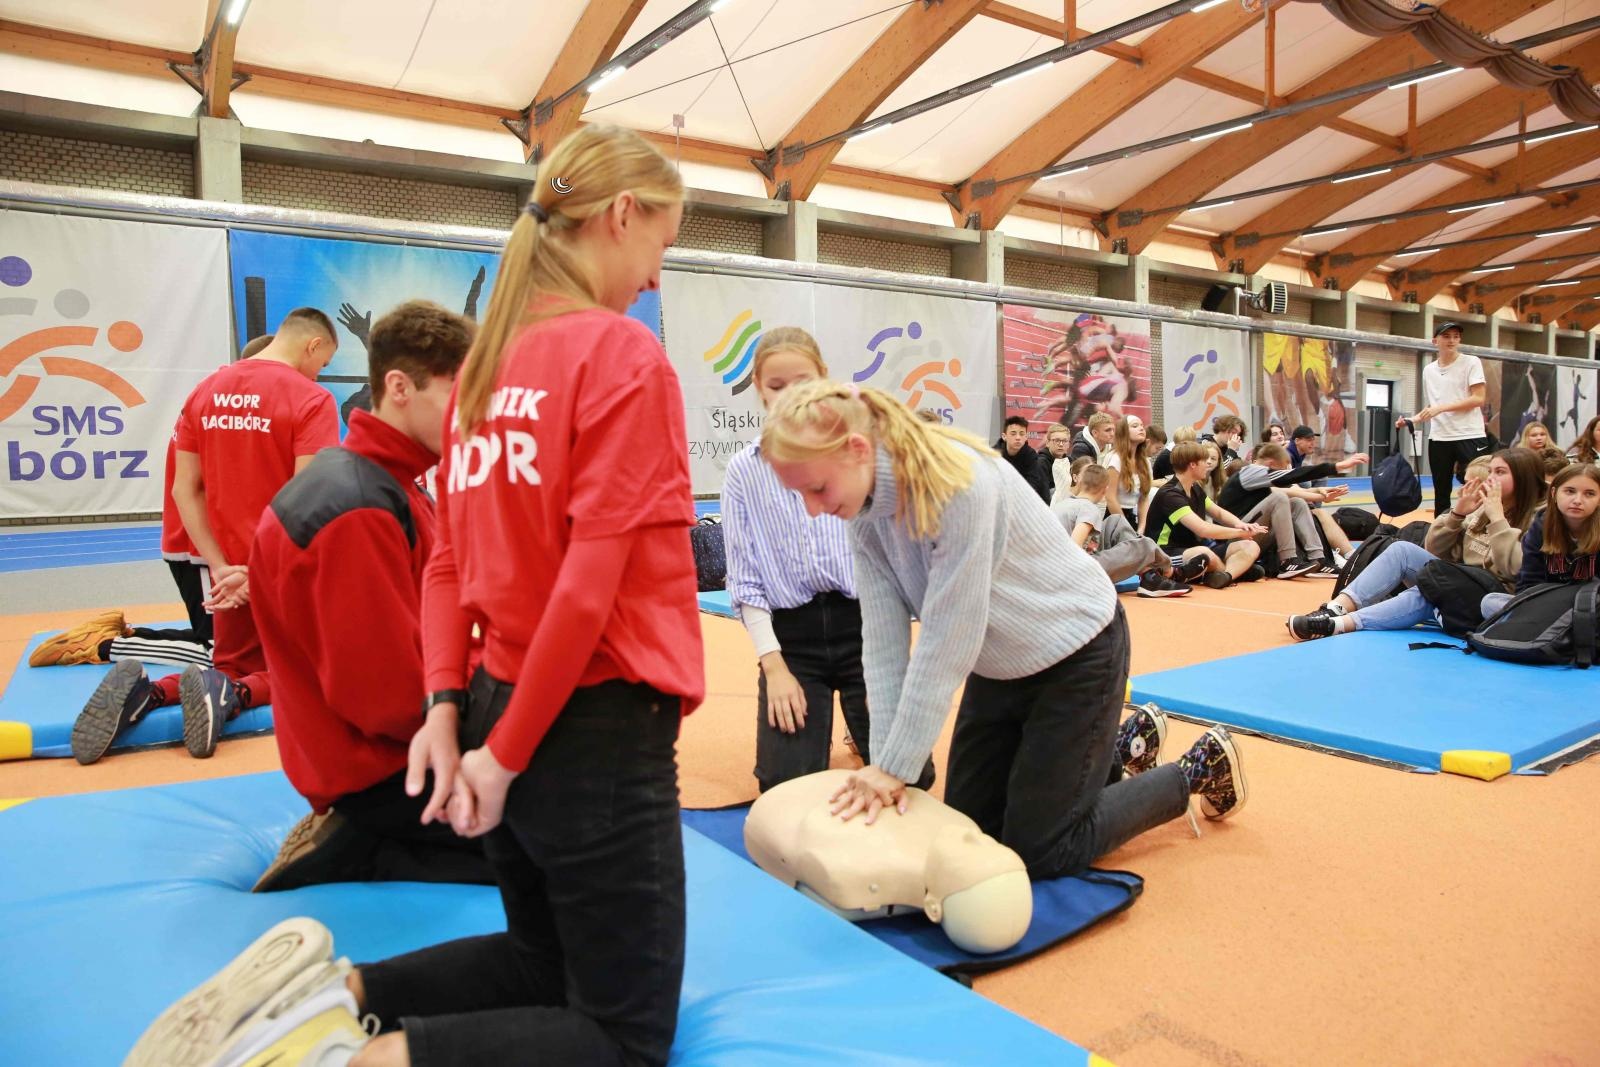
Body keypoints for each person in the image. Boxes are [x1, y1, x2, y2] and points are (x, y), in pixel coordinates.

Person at [128, 126, 704, 1067]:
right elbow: (586, 588)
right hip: (593, 723)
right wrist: (502, 758)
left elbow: (449, 569)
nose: (653, 277)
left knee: (536, 958)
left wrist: (449, 711)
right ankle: (348, 1058)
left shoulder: (482, 374)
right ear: (621, 214)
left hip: (494, 700)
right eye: (662, 245)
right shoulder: (619, 355)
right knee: (626, 1037)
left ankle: (331, 997)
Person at [759, 379, 1247, 887]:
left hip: (1078, 653)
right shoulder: (864, 516)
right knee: (973, 836)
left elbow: (948, 637)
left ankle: (1195, 769)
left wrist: (894, 768)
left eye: (816, 489)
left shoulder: (961, 484)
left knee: (1041, 851)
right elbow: (882, 648)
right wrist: (887, 767)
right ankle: (1121, 748)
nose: (813, 509)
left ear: (858, 450)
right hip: (1000, 667)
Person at [247, 301, 492, 893]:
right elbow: (385, 700)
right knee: (570, 853)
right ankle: (365, 849)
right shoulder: (357, 509)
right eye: (460, 395)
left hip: (391, 750)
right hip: (382, 775)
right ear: (399, 387)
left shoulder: (387, 484)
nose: (473, 418)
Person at [69, 312, 339, 765]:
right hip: (284, 563)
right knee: (312, 675)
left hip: (227, 566)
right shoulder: (312, 399)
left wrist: (219, 565)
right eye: (324, 362)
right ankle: (232, 696)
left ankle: (152, 691)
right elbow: (308, 499)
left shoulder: (206, 390)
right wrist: (266, 572)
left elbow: (183, 489)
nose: (320, 372)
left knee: (229, 662)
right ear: (313, 346)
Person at [723, 327, 930, 793]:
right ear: (758, 387)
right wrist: (774, 668)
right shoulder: (744, 471)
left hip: (864, 625)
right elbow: (745, 580)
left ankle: (861, 730)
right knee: (782, 786)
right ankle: (828, 729)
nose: (789, 396)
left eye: (802, 383)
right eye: (776, 387)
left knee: (911, 779)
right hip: (794, 641)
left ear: (825, 380)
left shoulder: (857, 455)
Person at [28, 334, 275, 681]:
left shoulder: (219, 395)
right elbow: (203, 486)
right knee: (219, 652)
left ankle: (118, 635)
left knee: (255, 646)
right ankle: (105, 645)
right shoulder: (228, 404)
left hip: (208, 543)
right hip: (201, 548)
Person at [745, 769, 1032, 955]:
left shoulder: (856, 874)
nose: (974, 838)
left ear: (933, 907)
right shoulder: (962, 826)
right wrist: (890, 766)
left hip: (785, 805)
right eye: (990, 845)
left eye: (974, 853)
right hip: (840, 784)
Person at [1287, 448, 1545, 639]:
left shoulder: (1537, 516)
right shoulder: (1481, 510)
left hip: (1494, 595)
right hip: (1461, 582)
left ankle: (1342, 624)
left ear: (1523, 477)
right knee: (1402, 550)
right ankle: (1335, 609)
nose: (1491, 479)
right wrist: (1457, 515)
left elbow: (1515, 569)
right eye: (1490, 472)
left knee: (1427, 592)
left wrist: (1498, 518)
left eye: (1500, 472)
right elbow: (1434, 550)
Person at [1216, 443, 1368, 579]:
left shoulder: (1262, 480)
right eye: (1282, 469)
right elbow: (1294, 476)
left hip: (1253, 533)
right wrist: (1338, 466)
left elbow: (1294, 490)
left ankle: (1319, 559)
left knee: (1297, 503)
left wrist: (1319, 494)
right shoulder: (1251, 472)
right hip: (1234, 540)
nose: (1284, 473)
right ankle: (1287, 561)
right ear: (1271, 464)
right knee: (1280, 498)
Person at [1054, 464, 1197, 596]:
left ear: (1080, 483)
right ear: (1105, 490)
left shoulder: (1063, 504)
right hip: (1075, 573)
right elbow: (1074, 547)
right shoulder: (1088, 509)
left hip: (1057, 569)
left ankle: (1149, 575)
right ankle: (1169, 571)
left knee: (1116, 521)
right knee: (1143, 545)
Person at [1146, 442, 1266, 589]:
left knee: (1251, 546)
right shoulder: (1170, 494)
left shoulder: (1195, 487)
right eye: (1204, 460)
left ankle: (1224, 576)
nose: (1208, 464)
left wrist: (1240, 524)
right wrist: (1239, 533)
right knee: (1205, 554)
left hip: (1194, 548)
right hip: (1167, 552)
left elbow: (1218, 512)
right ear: (1192, 465)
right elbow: (1202, 529)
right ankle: (1233, 572)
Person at [1402, 321, 1490, 516]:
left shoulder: (1471, 362)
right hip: (1440, 437)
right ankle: (1441, 532)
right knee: (1441, 490)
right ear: (1435, 341)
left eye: (1456, 336)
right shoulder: (1429, 370)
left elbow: (1478, 398)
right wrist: (1413, 420)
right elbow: (1434, 404)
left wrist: (1440, 409)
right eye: (1446, 336)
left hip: (1469, 434)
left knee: (1477, 483)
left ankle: (1480, 524)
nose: (1452, 340)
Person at [1497, 462, 1600, 601]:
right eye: (1570, 491)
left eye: (1589, 494)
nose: (1577, 500)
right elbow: (1528, 583)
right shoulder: (1539, 528)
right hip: (1549, 603)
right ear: (1554, 493)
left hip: (1591, 605)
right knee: (1490, 601)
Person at [1103, 414, 1151, 531]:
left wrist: (1141, 527)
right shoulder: (1115, 458)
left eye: (1142, 426)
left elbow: (1144, 499)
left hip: (1130, 517)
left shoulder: (1145, 462)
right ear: (1124, 432)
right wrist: (1126, 529)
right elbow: (1110, 498)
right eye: (1135, 426)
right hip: (1112, 517)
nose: (1141, 428)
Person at [996, 414, 1051, 503]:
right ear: (1004, 436)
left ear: (1026, 437)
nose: (1018, 438)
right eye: (1013, 433)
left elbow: (1032, 486)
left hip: (1027, 500)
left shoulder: (1031, 456)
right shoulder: (994, 455)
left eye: (1022, 434)